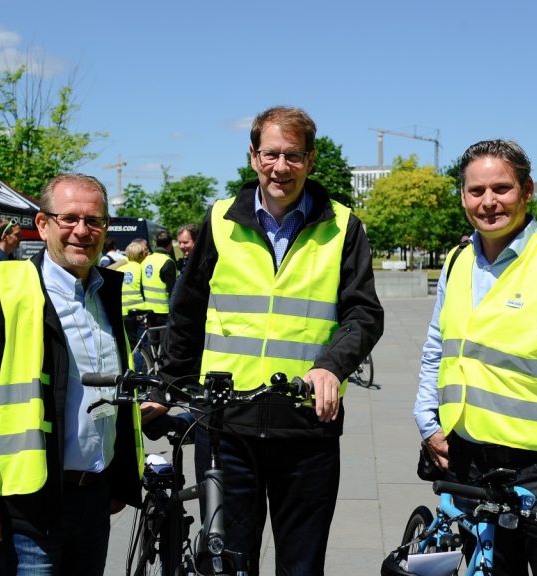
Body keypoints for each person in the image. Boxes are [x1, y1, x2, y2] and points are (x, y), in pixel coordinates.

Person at [161, 105, 383, 575]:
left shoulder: (343, 225)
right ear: (252, 156)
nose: (280, 167)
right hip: (225, 426)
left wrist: (331, 366)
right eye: (271, 155)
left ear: (311, 160)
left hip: (306, 429)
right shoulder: (220, 219)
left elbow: (363, 312)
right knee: (228, 564)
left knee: (301, 567)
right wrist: (168, 389)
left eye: (293, 156)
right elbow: (187, 313)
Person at [413, 139, 537, 575]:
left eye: (501, 189)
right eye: (476, 191)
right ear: (463, 196)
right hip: (469, 464)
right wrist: (427, 419)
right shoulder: (457, 262)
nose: (489, 202)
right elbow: (438, 350)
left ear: (526, 192)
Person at [0, 173, 143, 575]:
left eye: (94, 221)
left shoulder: (108, 293)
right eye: (69, 218)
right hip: (30, 508)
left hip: (95, 498)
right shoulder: (4, 288)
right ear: (42, 224)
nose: (82, 231)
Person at [117, 239, 149, 369]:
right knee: (141, 345)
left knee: (130, 345)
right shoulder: (142, 268)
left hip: (123, 312)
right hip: (139, 311)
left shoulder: (121, 269)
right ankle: (140, 373)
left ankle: (129, 370)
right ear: (141, 254)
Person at [139, 229, 177, 325]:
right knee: (165, 340)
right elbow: (172, 290)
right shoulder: (168, 262)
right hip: (164, 311)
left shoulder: (146, 260)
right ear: (170, 245)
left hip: (148, 310)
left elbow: (141, 287)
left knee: (152, 339)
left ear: (156, 244)